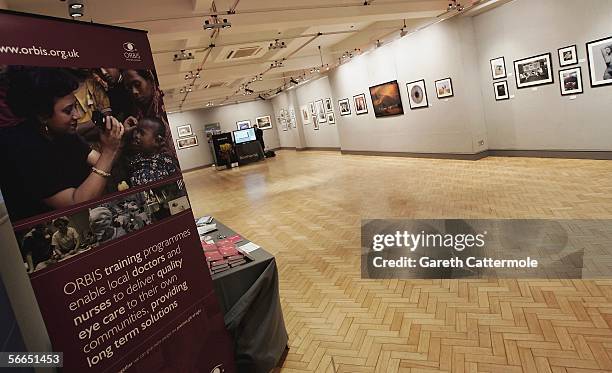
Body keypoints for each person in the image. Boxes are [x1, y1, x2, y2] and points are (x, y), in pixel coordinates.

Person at [0, 67, 125, 221]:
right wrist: (108, 152)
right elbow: (76, 202)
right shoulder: (22, 148)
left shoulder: (65, 134)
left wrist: (118, 140)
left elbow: (99, 161)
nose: (77, 115)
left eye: (75, 107)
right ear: (42, 116)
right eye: (68, 111)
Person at [127, 117, 179, 186]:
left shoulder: (165, 160)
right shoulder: (135, 158)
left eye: (142, 133)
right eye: (137, 132)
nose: (136, 136)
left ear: (157, 141)